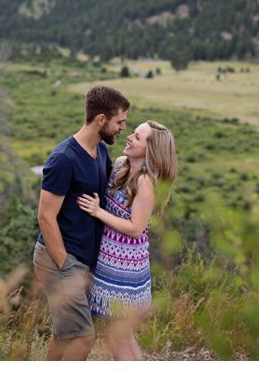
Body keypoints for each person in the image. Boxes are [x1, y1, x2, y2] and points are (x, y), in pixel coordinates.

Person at [33, 85, 130, 360]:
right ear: (101, 119)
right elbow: (45, 217)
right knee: (83, 337)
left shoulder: (100, 152)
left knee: (65, 333)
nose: (123, 127)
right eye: (119, 121)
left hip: (81, 260)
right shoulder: (64, 158)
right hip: (60, 259)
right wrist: (65, 265)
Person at [76, 120, 177, 360]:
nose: (129, 137)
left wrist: (98, 212)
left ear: (150, 151)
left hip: (125, 265)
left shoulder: (145, 182)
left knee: (115, 336)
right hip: (110, 259)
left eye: (138, 137)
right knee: (123, 335)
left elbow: (135, 228)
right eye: (133, 132)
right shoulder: (121, 165)